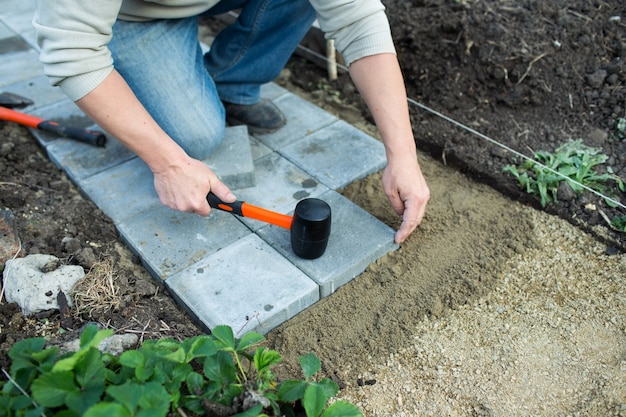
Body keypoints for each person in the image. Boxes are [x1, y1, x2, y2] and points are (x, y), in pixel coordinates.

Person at [33, 0, 430, 244]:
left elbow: (358, 21)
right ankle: (172, 66)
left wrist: (403, 155)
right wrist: (168, 162)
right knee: (197, 137)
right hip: (134, 14)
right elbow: (71, 49)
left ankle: (229, 83)